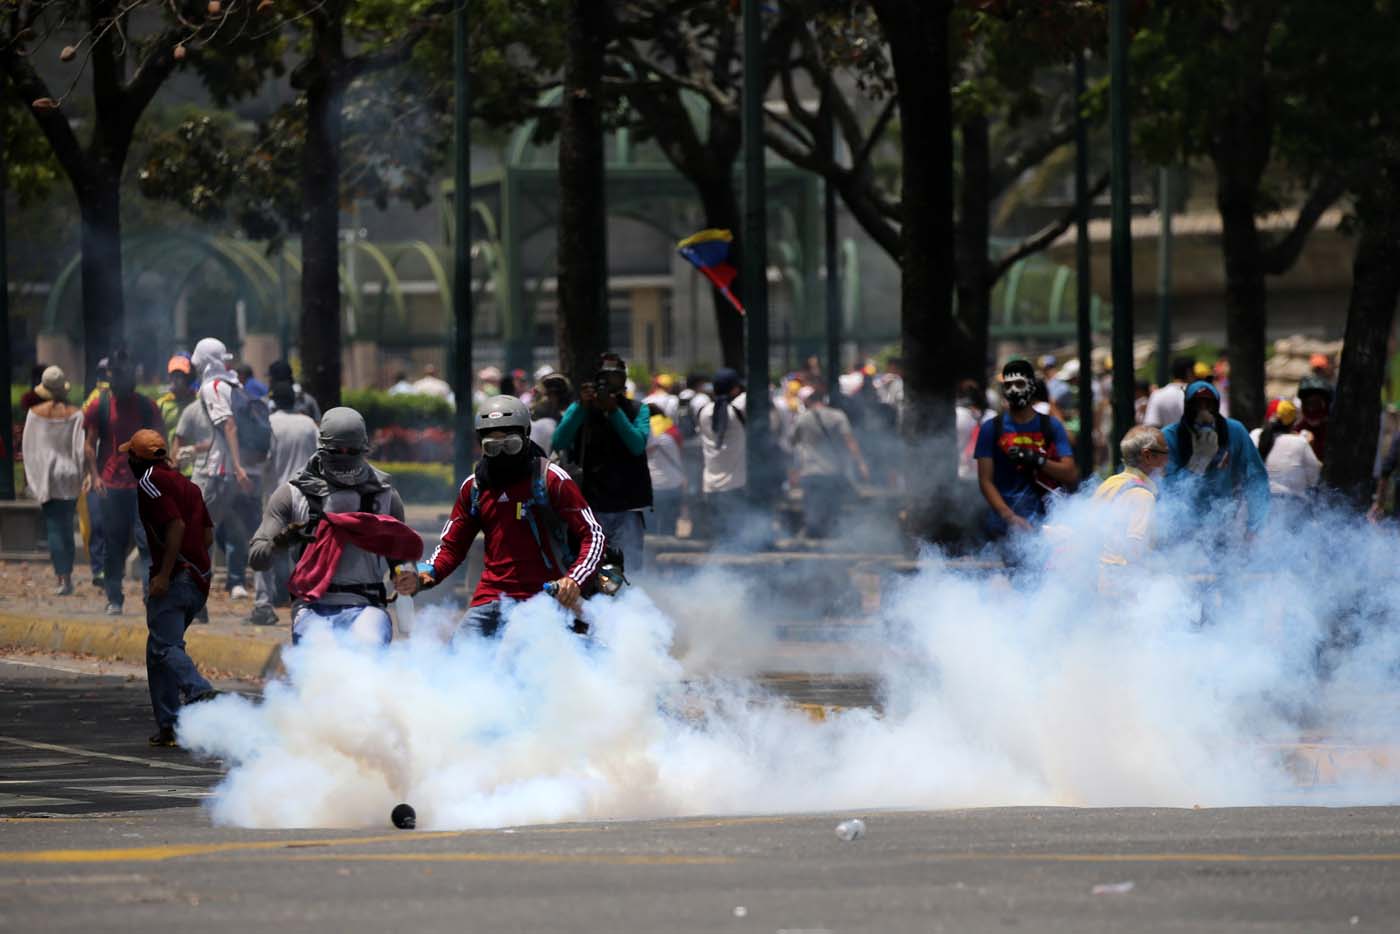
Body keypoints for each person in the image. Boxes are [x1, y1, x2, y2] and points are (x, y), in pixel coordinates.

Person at [399, 395, 605, 637]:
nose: (503, 454)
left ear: (526, 436)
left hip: (545, 598)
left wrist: (574, 579)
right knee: (462, 653)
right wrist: (425, 574)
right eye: (493, 447)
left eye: (511, 444)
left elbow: (593, 535)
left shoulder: (551, 479)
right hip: (491, 597)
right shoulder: (474, 487)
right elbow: (452, 546)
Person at [249, 408, 413, 646]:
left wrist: (407, 574)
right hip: (313, 608)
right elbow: (256, 558)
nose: (344, 456)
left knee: (367, 647)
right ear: (322, 448)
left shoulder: (385, 496)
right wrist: (277, 545)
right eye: (337, 451)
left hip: (366, 606)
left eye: (352, 452)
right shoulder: (293, 494)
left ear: (364, 450)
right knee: (320, 658)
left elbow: (401, 557)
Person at [123, 429, 219, 747]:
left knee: (166, 647)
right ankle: (169, 725)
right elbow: (207, 536)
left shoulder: (149, 480)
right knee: (157, 650)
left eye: (130, 455)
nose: (128, 460)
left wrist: (164, 573)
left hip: (177, 576)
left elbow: (175, 524)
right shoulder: (188, 485)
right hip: (199, 579)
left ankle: (197, 688)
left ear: (138, 459)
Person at [552, 353, 653, 570]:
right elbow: (559, 441)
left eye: (615, 377)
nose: (609, 383)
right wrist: (581, 407)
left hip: (627, 506)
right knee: (587, 571)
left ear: (624, 380)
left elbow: (637, 444)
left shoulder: (637, 408)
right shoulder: (581, 408)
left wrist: (613, 411)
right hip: (590, 506)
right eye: (604, 378)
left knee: (628, 572)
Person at [83, 351, 164, 615]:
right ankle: (114, 598)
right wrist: (94, 476)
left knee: (147, 543)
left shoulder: (146, 406)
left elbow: (160, 442)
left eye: (123, 374)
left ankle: (148, 596)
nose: (119, 379)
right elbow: (89, 444)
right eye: (115, 375)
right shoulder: (101, 406)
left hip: (142, 485)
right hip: (111, 486)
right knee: (113, 544)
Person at [191, 338, 268, 602]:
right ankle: (263, 595)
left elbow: (229, 426)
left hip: (223, 473)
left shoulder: (212, 386)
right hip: (246, 470)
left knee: (198, 532)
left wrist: (236, 467)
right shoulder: (235, 384)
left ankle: (196, 595)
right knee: (243, 532)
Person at [975, 359, 1077, 544]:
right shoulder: (991, 428)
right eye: (1008, 385)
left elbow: (1069, 473)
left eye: (1019, 384)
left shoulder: (1051, 426)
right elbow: (985, 480)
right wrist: (1009, 517)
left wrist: (1036, 459)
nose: (1014, 390)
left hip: (1046, 520)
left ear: (1031, 386)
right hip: (1005, 525)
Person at [246, 380, 321, 626]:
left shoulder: (270, 424)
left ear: (274, 401)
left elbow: (263, 460)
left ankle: (263, 606)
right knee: (307, 551)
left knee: (263, 546)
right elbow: (322, 456)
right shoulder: (309, 424)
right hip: (307, 497)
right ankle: (310, 603)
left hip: (278, 497)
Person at [1162, 380, 1270, 536]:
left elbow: (1256, 477)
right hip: (1183, 529)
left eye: (1209, 404)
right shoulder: (1170, 436)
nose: (1203, 411)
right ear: (1187, 406)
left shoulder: (1234, 431)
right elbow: (1168, 490)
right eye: (1197, 405)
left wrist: (1255, 526)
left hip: (1224, 525)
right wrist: (1197, 462)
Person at [22, 366, 85, 595]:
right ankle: (68, 577)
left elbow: (29, 449)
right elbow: (79, 450)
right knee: (67, 526)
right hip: (68, 475)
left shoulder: (34, 414)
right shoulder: (76, 414)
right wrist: (82, 475)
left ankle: (62, 578)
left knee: (54, 529)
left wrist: (34, 477)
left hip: (48, 476)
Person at [789, 385, 870, 539]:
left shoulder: (802, 418)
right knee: (832, 507)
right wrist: (861, 463)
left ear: (810, 401)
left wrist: (793, 470)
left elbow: (793, 443)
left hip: (810, 470)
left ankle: (814, 536)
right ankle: (831, 537)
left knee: (812, 507)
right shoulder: (838, 416)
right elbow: (849, 441)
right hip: (833, 470)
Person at [1093, 426, 1169, 573]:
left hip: (1098, 578)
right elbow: (1135, 553)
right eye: (1165, 453)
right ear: (1147, 456)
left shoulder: (1109, 483)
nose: (1167, 460)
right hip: (1123, 583)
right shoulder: (1143, 495)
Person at [695, 368, 750, 541]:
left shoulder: (703, 412)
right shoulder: (739, 409)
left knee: (717, 538)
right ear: (734, 389)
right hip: (736, 484)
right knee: (736, 538)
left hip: (710, 485)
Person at [1251, 399, 1321, 500]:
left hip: (1257, 502)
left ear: (1267, 417)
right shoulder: (1300, 442)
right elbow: (1314, 480)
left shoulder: (1254, 435)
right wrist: (1311, 446)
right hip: (1291, 507)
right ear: (1293, 423)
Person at [647, 411, 686, 537]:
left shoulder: (647, 436)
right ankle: (669, 550)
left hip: (654, 486)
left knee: (651, 526)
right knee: (669, 524)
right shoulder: (673, 435)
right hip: (674, 484)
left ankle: (652, 554)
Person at [529, 372, 573, 456]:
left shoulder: (567, 418)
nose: (550, 398)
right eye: (548, 394)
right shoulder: (532, 418)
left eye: (556, 393)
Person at [1143, 358, 1195, 428]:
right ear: (1189, 372)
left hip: (1166, 438)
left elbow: (1151, 426)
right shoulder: (1196, 393)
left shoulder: (1158, 395)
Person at [155, 354, 196, 437]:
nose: (175, 380)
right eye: (172, 375)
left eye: (179, 375)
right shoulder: (162, 404)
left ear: (188, 379)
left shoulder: (197, 401)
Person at [1296, 375, 1332, 463]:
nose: (1312, 409)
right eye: (1309, 404)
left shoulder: (1334, 431)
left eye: (1316, 404)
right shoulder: (1297, 430)